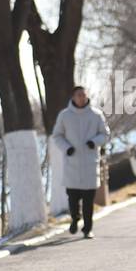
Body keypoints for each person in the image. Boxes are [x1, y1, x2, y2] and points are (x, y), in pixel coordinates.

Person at [51, 85, 109, 239]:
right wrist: (66, 147)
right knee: (73, 199)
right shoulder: (64, 116)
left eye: (83, 95)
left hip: (90, 163)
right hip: (72, 164)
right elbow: (57, 135)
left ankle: (87, 229)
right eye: (78, 95)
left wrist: (94, 142)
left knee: (89, 201)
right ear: (73, 97)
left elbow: (105, 134)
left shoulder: (96, 115)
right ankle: (75, 219)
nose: (81, 98)